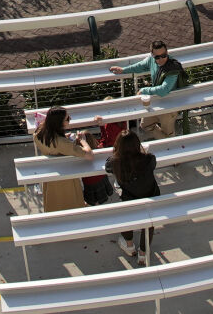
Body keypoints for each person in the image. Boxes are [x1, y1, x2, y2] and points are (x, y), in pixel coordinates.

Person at [109, 40, 187, 137]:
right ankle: (167, 144)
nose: (161, 59)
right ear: (152, 55)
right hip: (156, 101)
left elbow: (164, 90)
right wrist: (123, 70)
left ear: (167, 52)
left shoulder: (173, 67)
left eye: (164, 55)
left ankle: (169, 147)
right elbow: (140, 66)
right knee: (145, 124)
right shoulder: (151, 60)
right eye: (157, 57)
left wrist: (143, 90)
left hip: (170, 106)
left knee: (168, 133)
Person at [108, 128, 160, 264]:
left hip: (129, 199)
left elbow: (108, 166)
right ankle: (143, 253)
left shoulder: (115, 162)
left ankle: (129, 245)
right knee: (149, 224)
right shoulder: (149, 159)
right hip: (151, 196)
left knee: (127, 217)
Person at [31, 107, 93, 213]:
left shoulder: (40, 131)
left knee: (54, 204)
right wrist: (83, 141)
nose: (70, 119)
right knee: (70, 204)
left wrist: (64, 138)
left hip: (50, 176)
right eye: (67, 118)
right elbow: (89, 155)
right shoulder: (60, 143)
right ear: (59, 123)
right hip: (65, 178)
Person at [81, 120, 124, 206]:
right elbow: (105, 138)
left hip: (88, 182)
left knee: (92, 200)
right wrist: (102, 126)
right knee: (103, 195)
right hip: (101, 178)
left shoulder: (81, 154)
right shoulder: (100, 148)